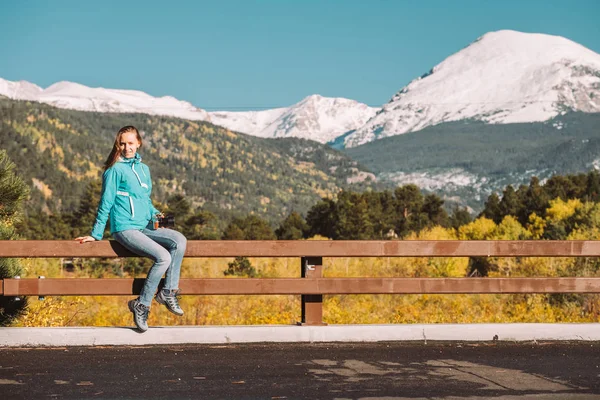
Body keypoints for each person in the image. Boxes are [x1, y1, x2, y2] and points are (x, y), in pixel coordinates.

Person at [75, 125, 187, 332]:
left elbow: (145, 200)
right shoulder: (114, 170)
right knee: (163, 257)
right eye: (123, 143)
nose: (127, 148)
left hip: (144, 225)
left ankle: (168, 292)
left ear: (138, 143)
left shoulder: (144, 170)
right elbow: (105, 202)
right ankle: (142, 305)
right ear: (118, 145)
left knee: (179, 240)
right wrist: (95, 234)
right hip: (125, 228)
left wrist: (156, 215)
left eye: (131, 143)